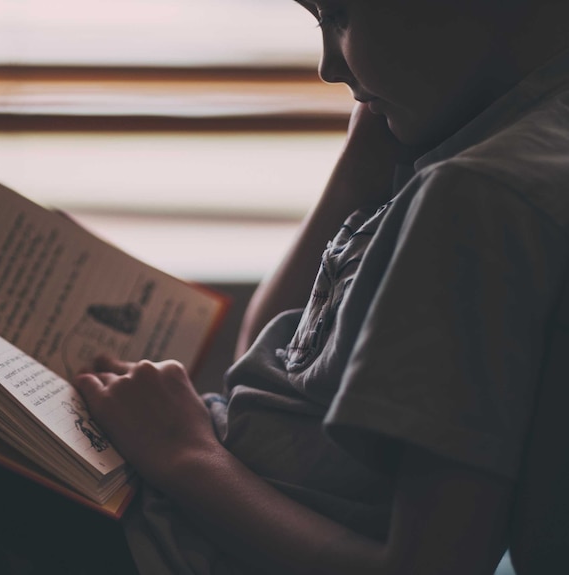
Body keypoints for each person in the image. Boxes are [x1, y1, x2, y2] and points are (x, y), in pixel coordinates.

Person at [72, 0, 569, 573]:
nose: (329, 68)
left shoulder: (476, 196)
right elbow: (276, 368)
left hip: (170, 545)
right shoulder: (492, 133)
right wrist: (364, 154)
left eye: (337, 15)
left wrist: (183, 454)